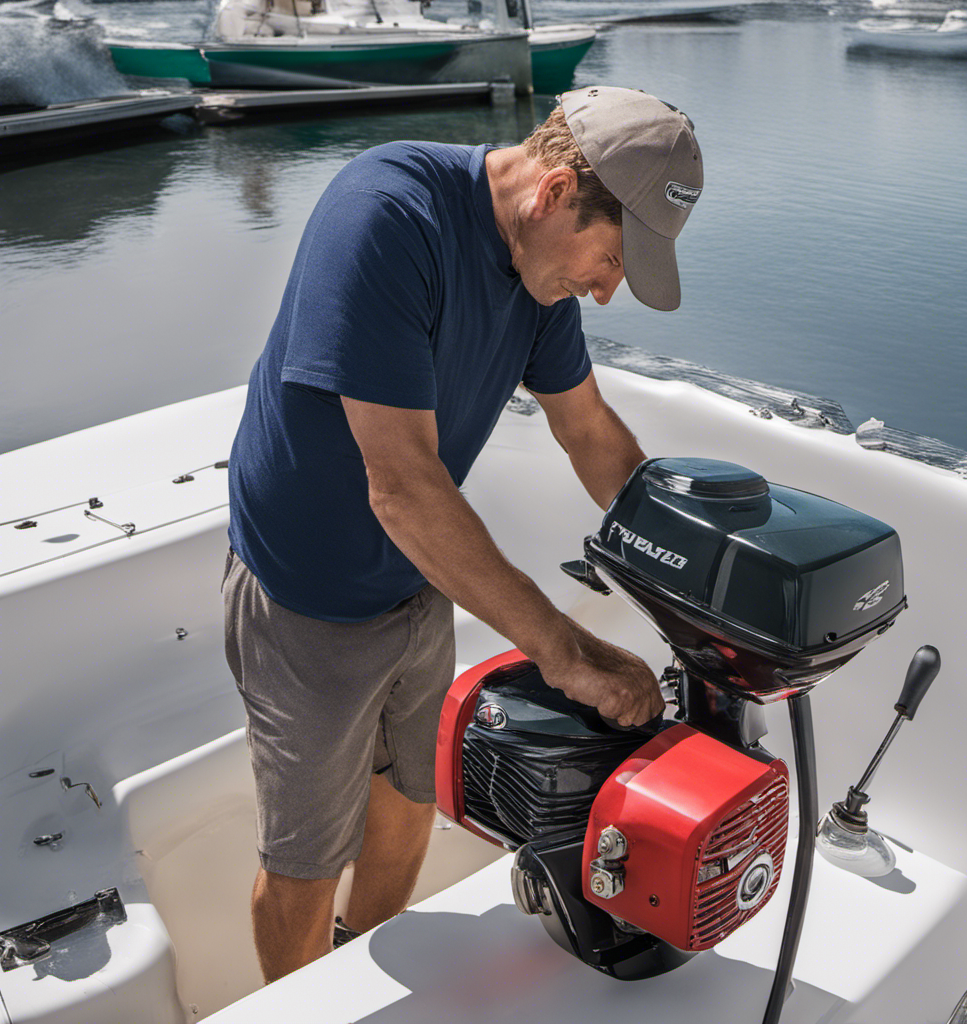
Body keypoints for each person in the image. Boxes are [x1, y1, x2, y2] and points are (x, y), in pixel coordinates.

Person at [222, 85, 704, 985]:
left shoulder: (540, 273)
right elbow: (402, 486)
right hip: (307, 598)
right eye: (608, 261)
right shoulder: (387, 215)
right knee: (304, 865)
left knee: (410, 803)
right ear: (556, 193)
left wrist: (691, 571)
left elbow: (590, 432)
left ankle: (353, 973)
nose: (603, 291)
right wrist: (564, 649)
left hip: (420, 582)